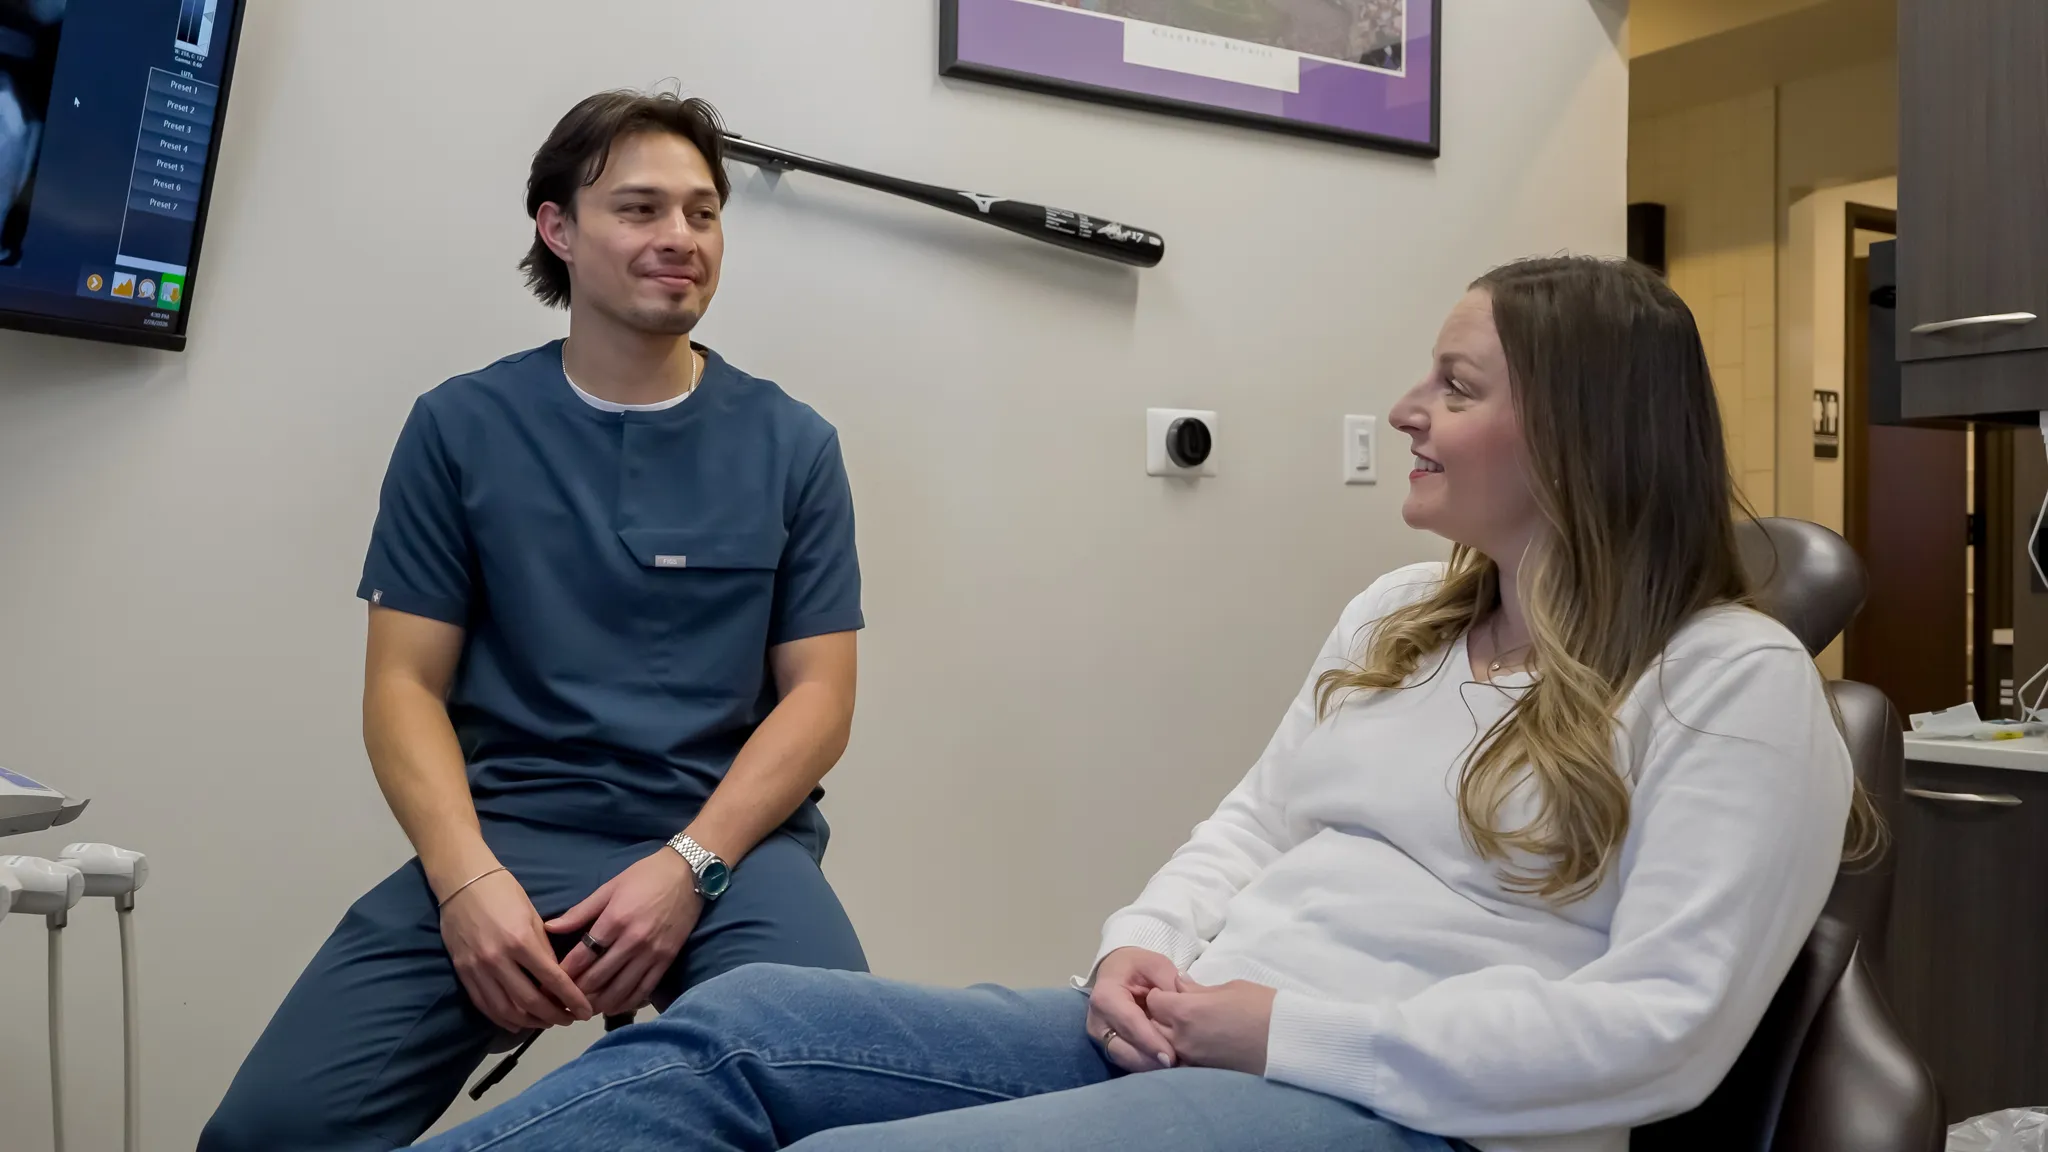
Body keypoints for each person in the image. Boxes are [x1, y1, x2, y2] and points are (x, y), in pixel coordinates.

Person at [411, 255, 1881, 1152]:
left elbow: (1662, 1030)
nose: (1410, 414)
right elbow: (1245, 829)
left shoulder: (1732, 687)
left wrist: (1279, 1032)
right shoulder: (1397, 622)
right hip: (1198, 1028)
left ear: (1582, 435)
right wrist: (1135, 951)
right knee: (735, 1032)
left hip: (1420, 1115)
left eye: (1454, 384)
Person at [199, 89, 870, 1151]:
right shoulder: (461, 428)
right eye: (641, 209)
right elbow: (402, 687)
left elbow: (820, 701)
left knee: (841, 1115)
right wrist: (464, 882)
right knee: (268, 1134)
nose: (679, 240)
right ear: (557, 228)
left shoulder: (793, 444)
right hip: (507, 831)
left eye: (701, 213)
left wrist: (690, 864)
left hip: (728, 847)